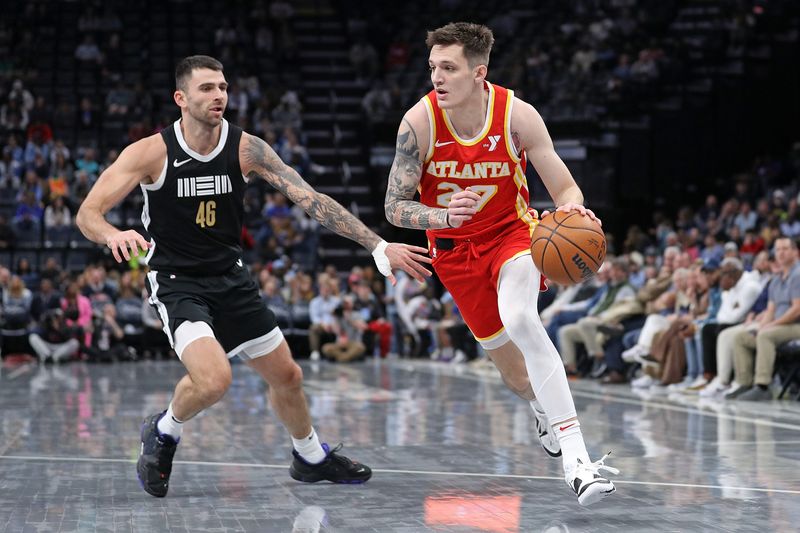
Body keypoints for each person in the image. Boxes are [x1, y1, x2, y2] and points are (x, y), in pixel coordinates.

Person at [76, 55, 432, 498]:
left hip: (231, 278)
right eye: (206, 88)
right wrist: (112, 234)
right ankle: (164, 431)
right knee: (214, 380)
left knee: (288, 377)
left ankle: (310, 457)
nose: (219, 95)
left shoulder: (246, 148)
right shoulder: (151, 152)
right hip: (178, 282)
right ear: (180, 98)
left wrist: (376, 245)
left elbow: (310, 197)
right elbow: (87, 213)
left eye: (223, 87)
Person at [383, 22, 617, 505]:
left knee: (522, 319)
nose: (437, 78)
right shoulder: (419, 123)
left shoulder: (518, 116)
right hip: (453, 255)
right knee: (515, 376)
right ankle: (539, 405)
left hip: (513, 236)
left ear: (478, 72)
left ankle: (578, 461)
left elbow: (565, 187)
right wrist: (442, 214)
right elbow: (394, 206)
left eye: (448, 68)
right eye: (433, 68)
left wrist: (572, 207)